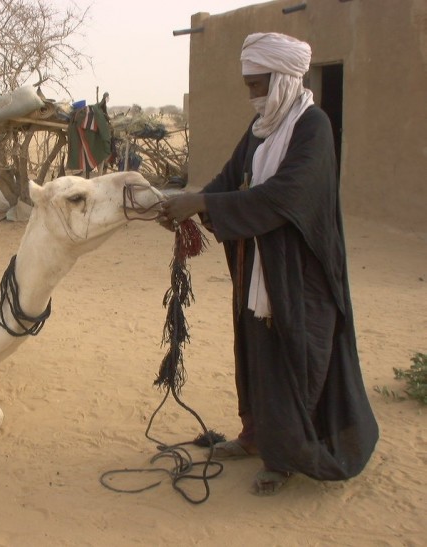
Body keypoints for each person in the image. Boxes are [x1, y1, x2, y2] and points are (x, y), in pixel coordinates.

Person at [159, 33, 378, 495]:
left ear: (281, 79)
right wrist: (188, 202)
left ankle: (287, 456)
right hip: (259, 269)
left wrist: (205, 203)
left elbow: (288, 195)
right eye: (248, 86)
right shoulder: (262, 127)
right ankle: (256, 437)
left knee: (295, 360)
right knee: (257, 354)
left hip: (302, 273)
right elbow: (229, 176)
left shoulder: (312, 126)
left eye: (257, 84)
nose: (252, 95)